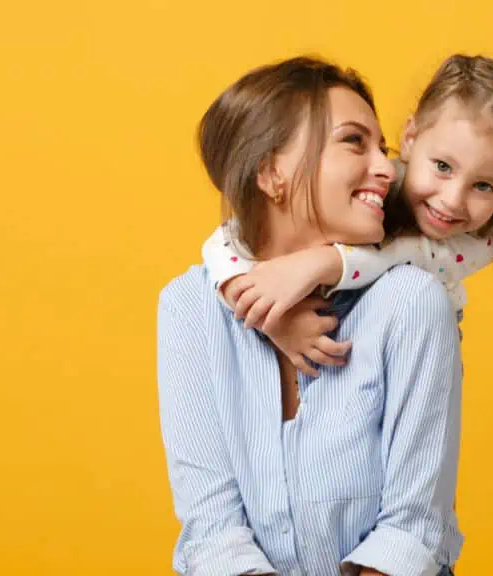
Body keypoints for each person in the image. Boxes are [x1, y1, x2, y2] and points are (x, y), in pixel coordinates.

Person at [157, 57, 462, 575]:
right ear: (272, 172)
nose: (388, 170)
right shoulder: (190, 306)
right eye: (353, 142)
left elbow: (412, 530)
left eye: (383, 147)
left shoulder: (412, 301)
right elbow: (211, 529)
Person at [202, 54, 493, 375]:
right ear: (411, 137)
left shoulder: (485, 236)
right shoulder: (382, 182)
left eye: (484, 186)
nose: (452, 200)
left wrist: (321, 263)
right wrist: (271, 319)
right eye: (443, 166)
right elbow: (224, 242)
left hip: (409, 349)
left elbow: (412, 256)